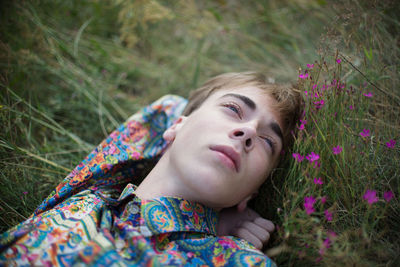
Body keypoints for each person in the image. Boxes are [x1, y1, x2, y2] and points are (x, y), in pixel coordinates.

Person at [0, 72, 302, 266]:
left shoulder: (240, 261)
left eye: (267, 141)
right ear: (176, 127)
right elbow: (166, 109)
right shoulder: (94, 187)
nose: (248, 131)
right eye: (233, 109)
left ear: (253, 190)